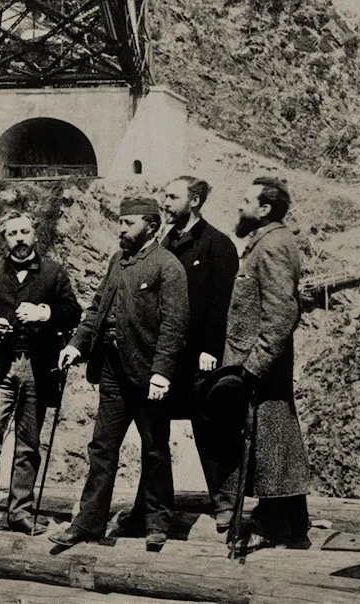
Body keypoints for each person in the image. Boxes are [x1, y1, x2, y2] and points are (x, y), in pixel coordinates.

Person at [49, 197, 190, 551]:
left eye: (128, 224)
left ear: (152, 226)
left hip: (147, 374)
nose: (121, 230)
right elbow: (97, 307)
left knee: (154, 448)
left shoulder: (167, 267)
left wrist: (162, 372)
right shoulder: (118, 261)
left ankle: (158, 523)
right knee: (102, 448)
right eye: (120, 223)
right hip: (112, 371)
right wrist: (76, 345)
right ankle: (89, 522)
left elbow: (174, 326)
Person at [119, 176, 239, 534]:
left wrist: (211, 349)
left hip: (201, 359)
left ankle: (226, 504)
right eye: (163, 196)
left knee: (210, 429)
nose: (165, 202)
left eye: (172, 196)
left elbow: (223, 304)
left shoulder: (218, 244)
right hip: (165, 359)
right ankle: (151, 508)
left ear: (196, 200)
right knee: (154, 435)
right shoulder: (163, 245)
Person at [0, 211, 81, 538]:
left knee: (28, 444)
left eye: (24, 231)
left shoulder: (54, 273)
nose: (19, 238)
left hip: (38, 367)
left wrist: (45, 313)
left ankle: (19, 511)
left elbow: (74, 312)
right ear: (5, 239)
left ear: (35, 235)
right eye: (12, 233)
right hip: (0, 367)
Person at [222, 177, 310, 550]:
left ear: (264, 210)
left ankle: (272, 524)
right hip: (261, 361)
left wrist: (254, 365)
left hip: (262, 366)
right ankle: (292, 522)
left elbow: (280, 312)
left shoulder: (272, 245)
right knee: (277, 440)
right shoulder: (266, 242)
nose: (239, 207)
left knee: (272, 442)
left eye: (246, 201)